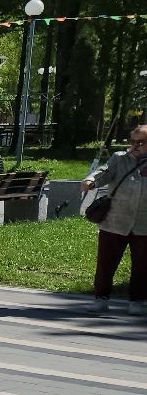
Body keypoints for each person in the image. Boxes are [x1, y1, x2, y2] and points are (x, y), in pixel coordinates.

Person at [81, 125, 147, 314]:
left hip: (143, 223)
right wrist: (91, 181)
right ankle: (100, 298)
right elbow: (104, 171)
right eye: (132, 141)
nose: (135, 146)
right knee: (106, 263)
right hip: (115, 220)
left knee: (142, 265)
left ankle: (138, 301)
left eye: (141, 142)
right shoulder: (120, 158)